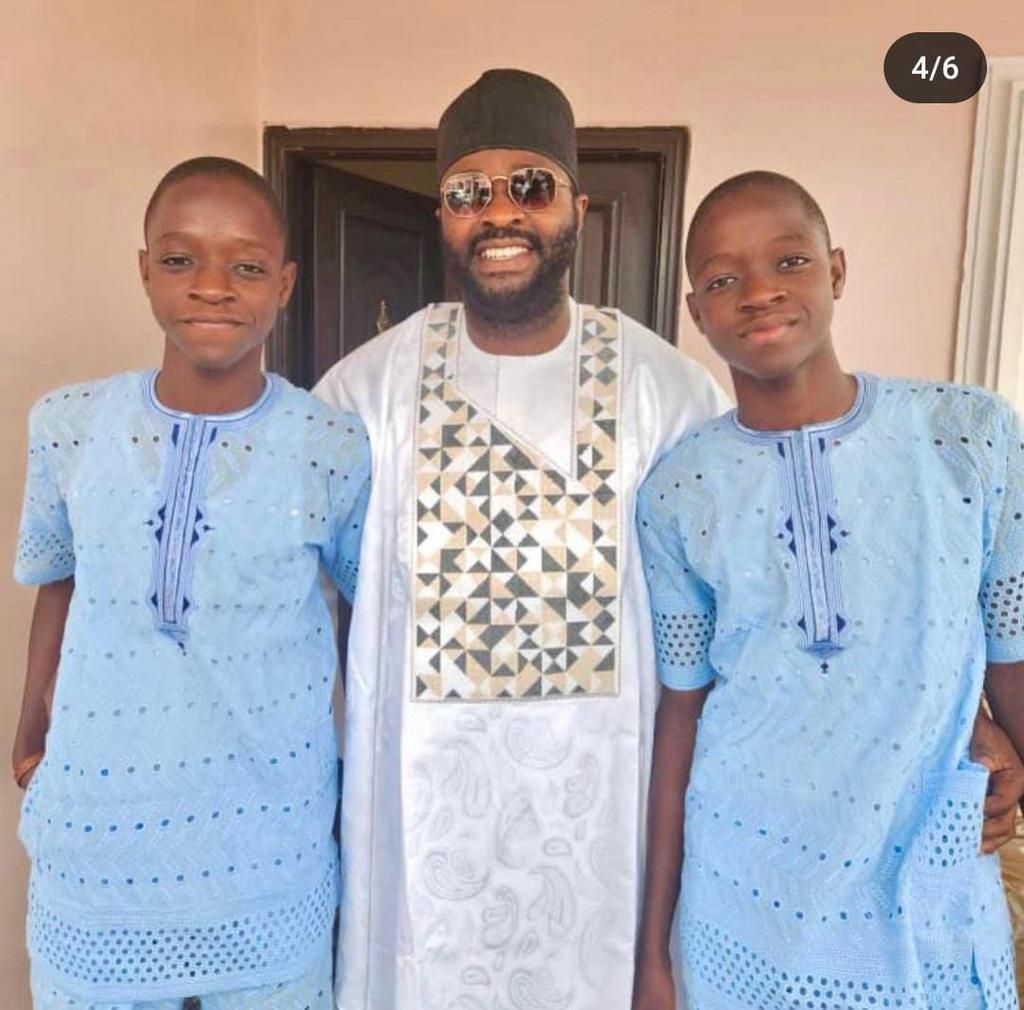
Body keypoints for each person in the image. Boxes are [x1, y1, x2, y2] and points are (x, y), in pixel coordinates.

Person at [312, 68, 731, 1010]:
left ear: (575, 206)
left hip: (603, 831)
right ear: (442, 217)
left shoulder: (669, 393)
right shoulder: (363, 393)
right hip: (413, 828)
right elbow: (293, 588)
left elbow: (740, 600)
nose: (500, 213)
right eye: (469, 192)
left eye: (530, 186)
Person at [633, 170, 1024, 1010]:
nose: (761, 293)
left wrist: (1002, 746)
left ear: (836, 271)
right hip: (741, 902)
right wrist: (652, 954)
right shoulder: (678, 490)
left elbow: (1011, 653)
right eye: (724, 279)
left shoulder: (970, 439)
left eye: (791, 261)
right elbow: (683, 712)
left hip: (924, 894)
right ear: (697, 309)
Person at [11, 157, 370, 1010]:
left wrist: (358, 776)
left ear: (283, 284)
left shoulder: (333, 445)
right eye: (180, 260)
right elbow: (56, 581)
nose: (213, 287)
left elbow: (363, 619)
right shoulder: (67, 426)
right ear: (143, 270)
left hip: (268, 846)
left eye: (246, 266)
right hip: (99, 836)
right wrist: (30, 728)